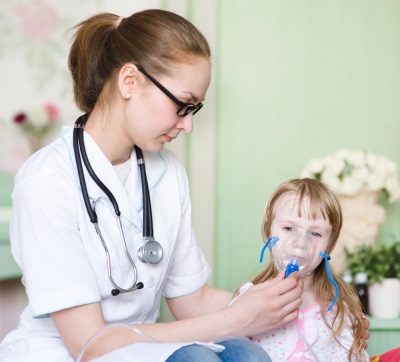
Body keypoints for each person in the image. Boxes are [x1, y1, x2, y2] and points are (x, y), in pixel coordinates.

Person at [0, 9, 307, 362]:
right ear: (129, 81)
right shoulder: (46, 181)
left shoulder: (167, 172)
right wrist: (233, 319)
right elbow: (89, 345)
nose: (188, 126)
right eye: (182, 105)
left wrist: (290, 301)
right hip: (62, 353)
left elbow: (193, 302)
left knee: (246, 353)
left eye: (195, 109)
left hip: (141, 350)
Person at [232, 178, 370, 361]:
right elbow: (231, 350)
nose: (300, 242)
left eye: (315, 233)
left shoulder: (337, 309)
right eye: (289, 228)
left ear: (329, 246)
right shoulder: (248, 299)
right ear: (267, 232)